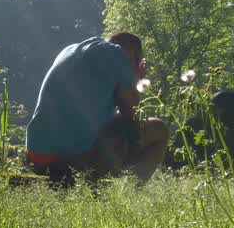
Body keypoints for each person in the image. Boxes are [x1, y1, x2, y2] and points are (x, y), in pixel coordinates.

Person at [25, 32, 169, 183]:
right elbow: (133, 114)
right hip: (71, 160)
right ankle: (130, 196)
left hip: (35, 156)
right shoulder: (119, 55)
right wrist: (136, 78)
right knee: (159, 129)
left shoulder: (70, 50)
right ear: (134, 55)